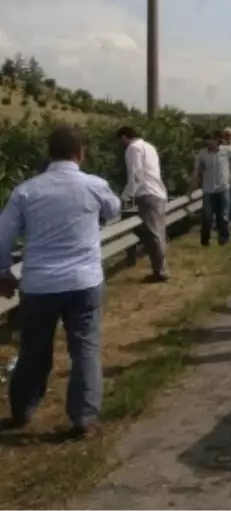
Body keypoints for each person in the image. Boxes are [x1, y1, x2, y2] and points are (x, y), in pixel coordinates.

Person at [0, 126, 121, 438]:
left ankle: (22, 411)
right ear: (80, 153)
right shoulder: (94, 185)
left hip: (39, 285)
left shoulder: (26, 191)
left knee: (33, 350)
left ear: (48, 153)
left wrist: (3, 274)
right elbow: (115, 209)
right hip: (84, 282)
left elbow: (2, 238)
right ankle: (83, 419)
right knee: (85, 348)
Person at [116, 126, 169, 283]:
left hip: (147, 194)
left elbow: (136, 175)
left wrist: (126, 196)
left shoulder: (133, 148)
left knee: (153, 234)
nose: (120, 144)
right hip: (158, 192)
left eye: (120, 141)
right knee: (158, 233)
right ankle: (160, 268)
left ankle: (160, 271)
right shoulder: (149, 147)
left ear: (124, 137)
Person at [191, 131, 231, 247]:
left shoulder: (226, 150)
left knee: (224, 215)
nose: (207, 144)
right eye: (205, 142)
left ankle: (224, 240)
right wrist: (192, 186)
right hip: (208, 190)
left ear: (217, 140)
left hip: (223, 188)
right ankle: (205, 241)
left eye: (210, 141)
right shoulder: (202, 154)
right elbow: (196, 171)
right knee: (207, 216)